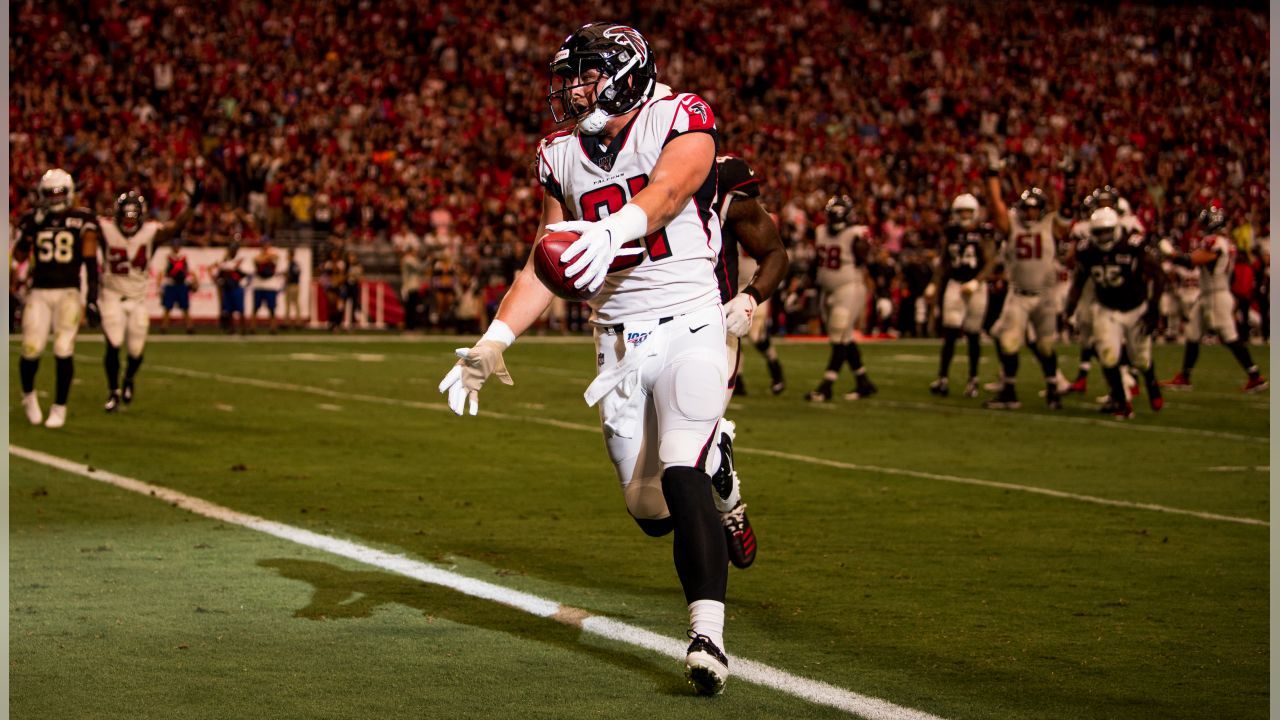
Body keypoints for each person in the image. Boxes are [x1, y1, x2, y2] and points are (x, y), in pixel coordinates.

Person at [438, 23, 740, 695]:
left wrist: (612, 229)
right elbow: (546, 260)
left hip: (691, 318)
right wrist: (494, 341)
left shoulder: (679, 113)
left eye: (587, 75)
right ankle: (719, 465)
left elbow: (670, 188)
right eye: (570, 77)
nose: (573, 90)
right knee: (647, 508)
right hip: (618, 343)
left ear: (628, 73)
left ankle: (707, 637)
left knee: (681, 469)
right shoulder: (559, 153)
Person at [711, 152, 788, 569]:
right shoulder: (617, 170)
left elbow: (774, 252)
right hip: (644, 328)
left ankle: (729, 502)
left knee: (696, 442)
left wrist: (750, 296)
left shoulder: (721, 178)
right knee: (650, 506)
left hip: (709, 327)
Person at [981, 160, 1074, 410]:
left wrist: (1070, 178)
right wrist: (992, 178)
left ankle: (1054, 388)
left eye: (1035, 209)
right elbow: (997, 207)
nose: (1030, 214)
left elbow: (1068, 211)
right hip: (1019, 294)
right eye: (1027, 209)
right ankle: (1009, 390)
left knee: (1045, 345)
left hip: (1045, 294)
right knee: (1009, 341)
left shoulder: (1050, 224)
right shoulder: (1012, 224)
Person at [98, 185, 200, 411]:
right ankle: (113, 390)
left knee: (136, 350)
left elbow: (176, 226)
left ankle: (129, 380)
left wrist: (191, 206)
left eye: (133, 218)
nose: (129, 223)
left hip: (137, 298)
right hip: (112, 295)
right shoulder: (104, 228)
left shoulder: (151, 231)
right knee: (113, 343)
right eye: (125, 217)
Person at [13, 168, 101, 428]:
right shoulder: (33, 219)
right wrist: (30, 230)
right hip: (39, 291)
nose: (54, 198)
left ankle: (59, 406)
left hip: (68, 292)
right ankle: (28, 396)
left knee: (64, 348)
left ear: (68, 193)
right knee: (31, 348)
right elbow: (18, 257)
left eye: (58, 192)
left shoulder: (81, 219)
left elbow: (90, 262)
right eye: (49, 193)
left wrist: (93, 297)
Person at [1065, 208, 1165, 419]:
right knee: (1108, 356)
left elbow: (1158, 274)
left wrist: (1154, 308)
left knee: (1141, 359)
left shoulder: (1132, 246)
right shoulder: (1087, 250)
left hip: (1135, 307)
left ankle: (1151, 383)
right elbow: (1080, 279)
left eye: (1106, 231)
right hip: (1106, 307)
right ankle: (1121, 400)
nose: (1102, 237)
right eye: (1098, 232)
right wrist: (1070, 307)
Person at [1161, 206, 1267, 392]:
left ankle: (1255, 376)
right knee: (1192, 332)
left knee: (1229, 337)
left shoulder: (1215, 242)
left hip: (1216, 295)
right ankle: (1185, 377)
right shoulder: (1226, 242)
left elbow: (1194, 261)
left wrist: (1171, 255)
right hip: (1210, 293)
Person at [715, 155, 786, 397]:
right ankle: (741, 379)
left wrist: (751, 296)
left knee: (752, 332)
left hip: (748, 280)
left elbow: (773, 252)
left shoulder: (736, 202)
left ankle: (775, 368)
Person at [806, 195, 878, 401]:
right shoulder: (820, 232)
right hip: (827, 290)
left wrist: (879, 292)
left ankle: (826, 386)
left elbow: (867, 261)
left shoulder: (855, 234)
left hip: (849, 288)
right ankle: (863, 382)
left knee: (838, 335)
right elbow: (816, 263)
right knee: (843, 338)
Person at [926, 193, 997, 398]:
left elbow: (990, 261)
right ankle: (942, 378)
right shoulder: (951, 232)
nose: (964, 215)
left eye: (967, 211)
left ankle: (973, 379)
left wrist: (976, 281)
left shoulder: (983, 233)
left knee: (973, 333)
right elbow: (944, 262)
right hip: (956, 284)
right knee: (950, 331)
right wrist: (933, 284)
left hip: (976, 286)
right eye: (961, 211)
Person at [160, 238, 197, 334]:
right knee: (167, 307)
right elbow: (162, 272)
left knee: (185, 307)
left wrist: (195, 281)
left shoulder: (184, 257)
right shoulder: (168, 258)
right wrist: (160, 286)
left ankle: (189, 326)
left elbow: (190, 271)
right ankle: (164, 326)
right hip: (171, 284)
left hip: (182, 284)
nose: (176, 247)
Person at [249, 240, 283, 334]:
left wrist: (266, 256)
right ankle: (253, 327)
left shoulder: (273, 255)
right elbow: (257, 260)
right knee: (255, 308)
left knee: (272, 308)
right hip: (259, 284)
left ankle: (273, 327)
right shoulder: (258, 257)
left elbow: (276, 257)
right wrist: (266, 257)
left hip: (270, 285)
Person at [215, 242, 249, 334]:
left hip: (236, 287)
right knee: (229, 310)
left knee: (240, 309)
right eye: (231, 249)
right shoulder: (224, 261)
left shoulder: (240, 261)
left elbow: (245, 274)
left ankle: (243, 328)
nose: (232, 251)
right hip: (227, 288)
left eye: (234, 249)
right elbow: (219, 274)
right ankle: (232, 328)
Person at [283, 246, 304, 330]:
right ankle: (289, 322)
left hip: (293, 285)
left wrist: (286, 275)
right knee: (291, 304)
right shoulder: (292, 264)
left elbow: (293, 275)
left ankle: (296, 322)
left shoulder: (293, 264)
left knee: (293, 304)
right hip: (292, 285)